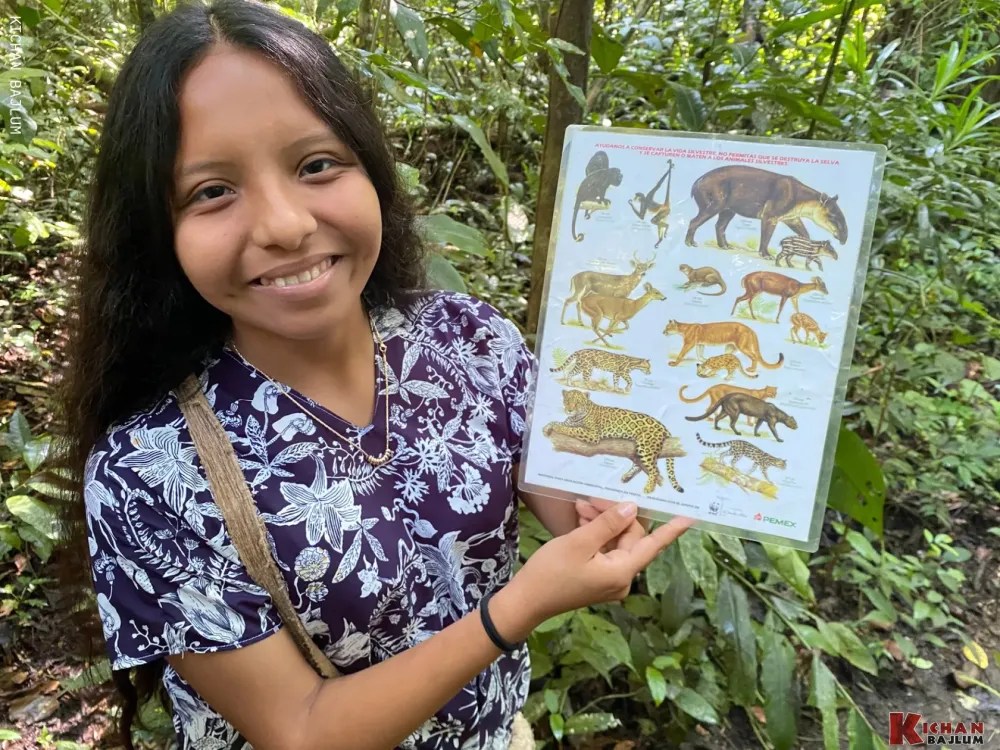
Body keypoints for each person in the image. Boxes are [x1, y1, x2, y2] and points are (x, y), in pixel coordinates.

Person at [58, 1, 693, 748]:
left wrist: (609, 508)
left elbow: (571, 497)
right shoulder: (148, 472)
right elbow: (299, 730)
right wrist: (517, 607)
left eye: (316, 164)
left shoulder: (469, 337)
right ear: (158, 231)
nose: (286, 224)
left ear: (372, 169)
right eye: (212, 191)